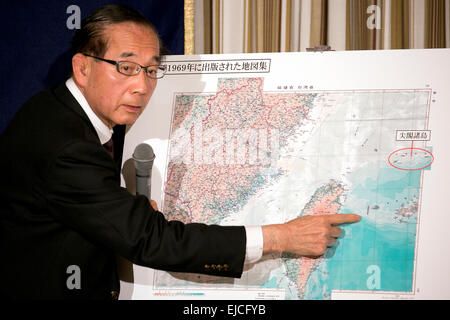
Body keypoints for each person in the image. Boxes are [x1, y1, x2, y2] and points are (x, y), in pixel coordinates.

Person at [0, 4, 360, 300]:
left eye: (152, 70)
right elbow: (152, 241)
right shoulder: (68, 146)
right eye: (126, 68)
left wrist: (124, 207)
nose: (141, 86)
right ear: (82, 67)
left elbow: (84, 204)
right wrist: (283, 237)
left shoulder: (54, 111)